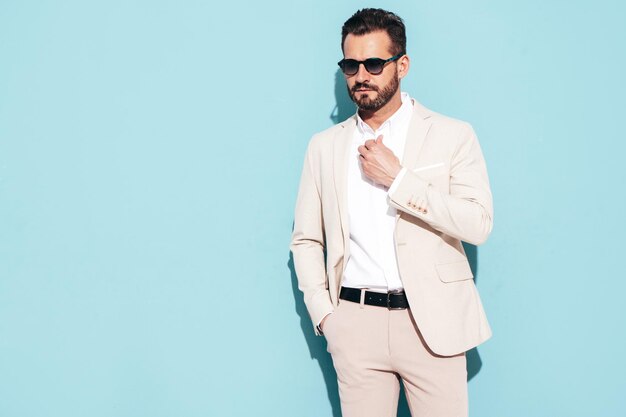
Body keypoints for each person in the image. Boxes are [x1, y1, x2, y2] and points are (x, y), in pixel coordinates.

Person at [290, 8, 493, 417]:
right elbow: (307, 239)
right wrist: (327, 316)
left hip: (432, 325)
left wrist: (399, 180)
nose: (361, 75)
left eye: (374, 63)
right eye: (351, 65)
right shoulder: (324, 146)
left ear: (402, 65)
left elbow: (477, 223)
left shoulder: (452, 135)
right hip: (354, 326)